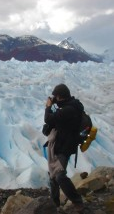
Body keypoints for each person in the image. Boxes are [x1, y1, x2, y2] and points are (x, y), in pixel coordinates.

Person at [43, 83, 84, 212]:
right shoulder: (72, 104)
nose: (54, 98)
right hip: (62, 143)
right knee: (53, 175)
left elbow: (48, 119)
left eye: (56, 96)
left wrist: (48, 107)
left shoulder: (68, 110)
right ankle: (55, 204)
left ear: (60, 96)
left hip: (64, 146)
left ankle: (78, 202)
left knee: (59, 175)